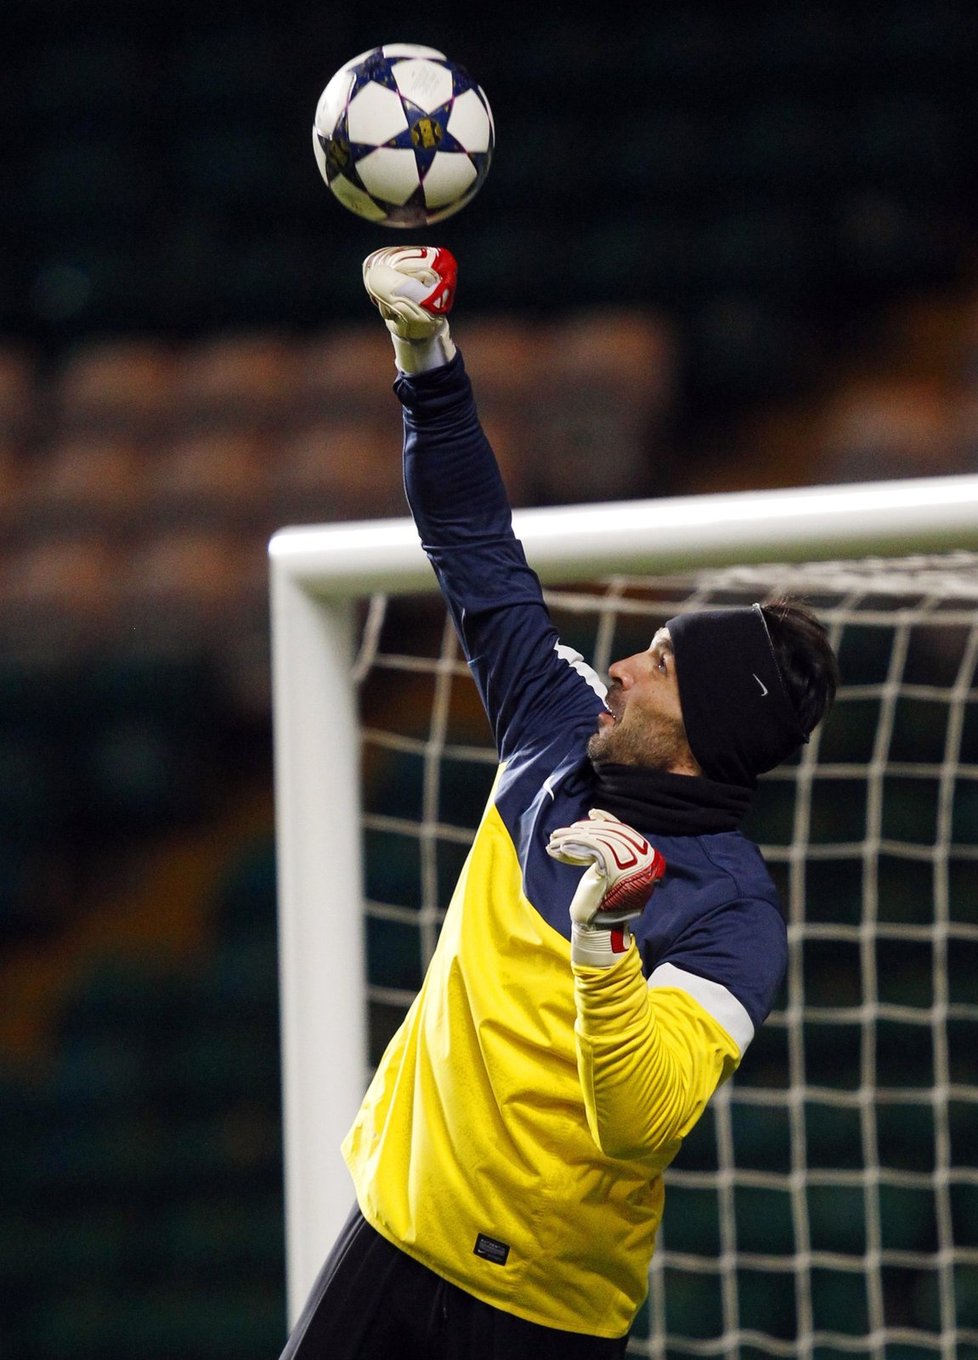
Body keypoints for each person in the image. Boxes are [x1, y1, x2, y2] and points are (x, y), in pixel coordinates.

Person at [279, 246, 839, 1360]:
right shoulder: (553, 718)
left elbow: (644, 1119)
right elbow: (473, 543)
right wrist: (425, 355)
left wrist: (604, 945)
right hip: (391, 1234)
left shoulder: (735, 919)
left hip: (541, 1315)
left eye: (666, 666)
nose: (626, 666)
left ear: (708, 737)